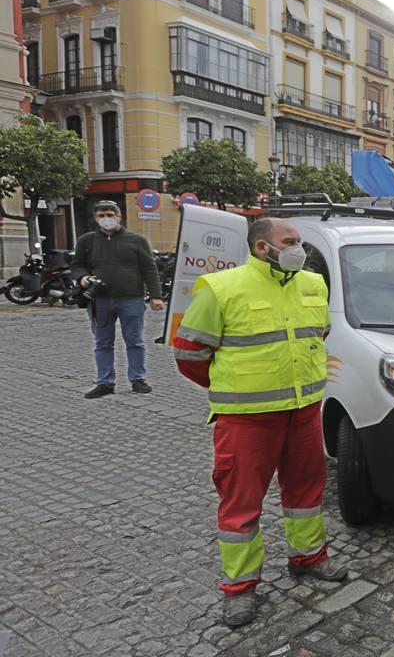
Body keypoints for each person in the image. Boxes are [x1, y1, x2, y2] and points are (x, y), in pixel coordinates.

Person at [173, 218, 348, 627]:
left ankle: (308, 558)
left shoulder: (313, 284)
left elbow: (315, 337)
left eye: (299, 242)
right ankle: (240, 588)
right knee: (241, 503)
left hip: (303, 411)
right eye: (289, 242)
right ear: (261, 247)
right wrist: (236, 388)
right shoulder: (221, 288)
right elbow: (190, 355)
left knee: (307, 492)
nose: (298, 248)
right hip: (246, 420)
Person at [70, 201, 163, 398]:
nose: (106, 219)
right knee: (103, 342)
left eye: (110, 214)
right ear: (96, 219)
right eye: (101, 215)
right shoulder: (87, 241)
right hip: (100, 301)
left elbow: (149, 268)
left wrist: (156, 295)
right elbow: (77, 265)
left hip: (132, 298)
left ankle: (138, 379)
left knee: (135, 340)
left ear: (119, 217)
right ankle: (105, 382)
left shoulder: (136, 240)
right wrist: (82, 277)